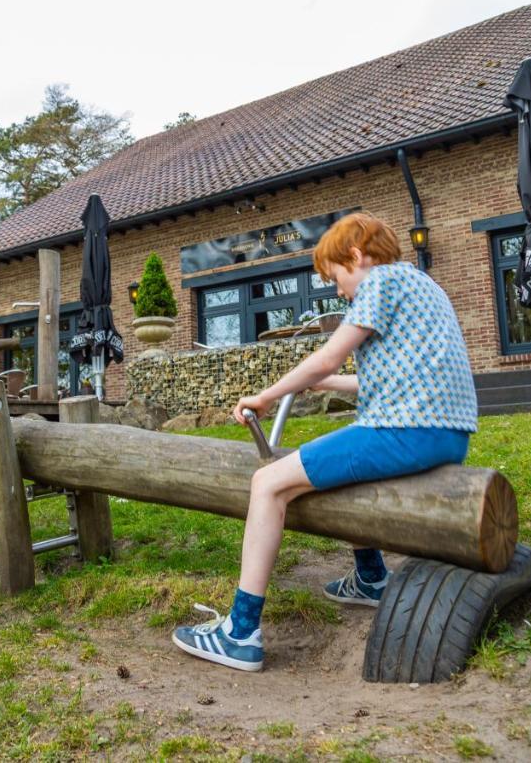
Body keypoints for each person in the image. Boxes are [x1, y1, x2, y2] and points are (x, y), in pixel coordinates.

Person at [172, 212, 478, 671]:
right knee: (339, 465)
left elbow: (328, 354)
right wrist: (331, 385)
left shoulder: (379, 282)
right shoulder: (423, 285)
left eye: (335, 277)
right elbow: (399, 378)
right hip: (445, 434)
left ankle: (240, 632)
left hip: (405, 432)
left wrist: (267, 395)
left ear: (355, 256)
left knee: (268, 482)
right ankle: (371, 577)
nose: (337, 290)